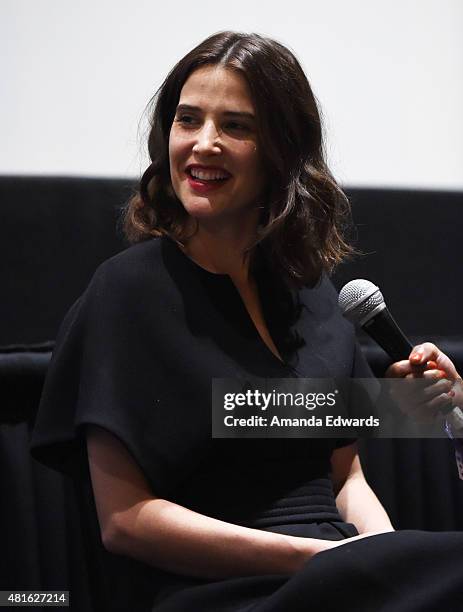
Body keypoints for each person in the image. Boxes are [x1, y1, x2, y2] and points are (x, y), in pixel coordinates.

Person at [31, 31, 463, 611]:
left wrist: (387, 558)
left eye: (235, 126)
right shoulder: (126, 291)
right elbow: (126, 521)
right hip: (224, 590)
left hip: (337, 578)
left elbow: (345, 482)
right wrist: (318, 559)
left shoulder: (313, 294)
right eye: (188, 120)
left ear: (282, 150)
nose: (203, 144)